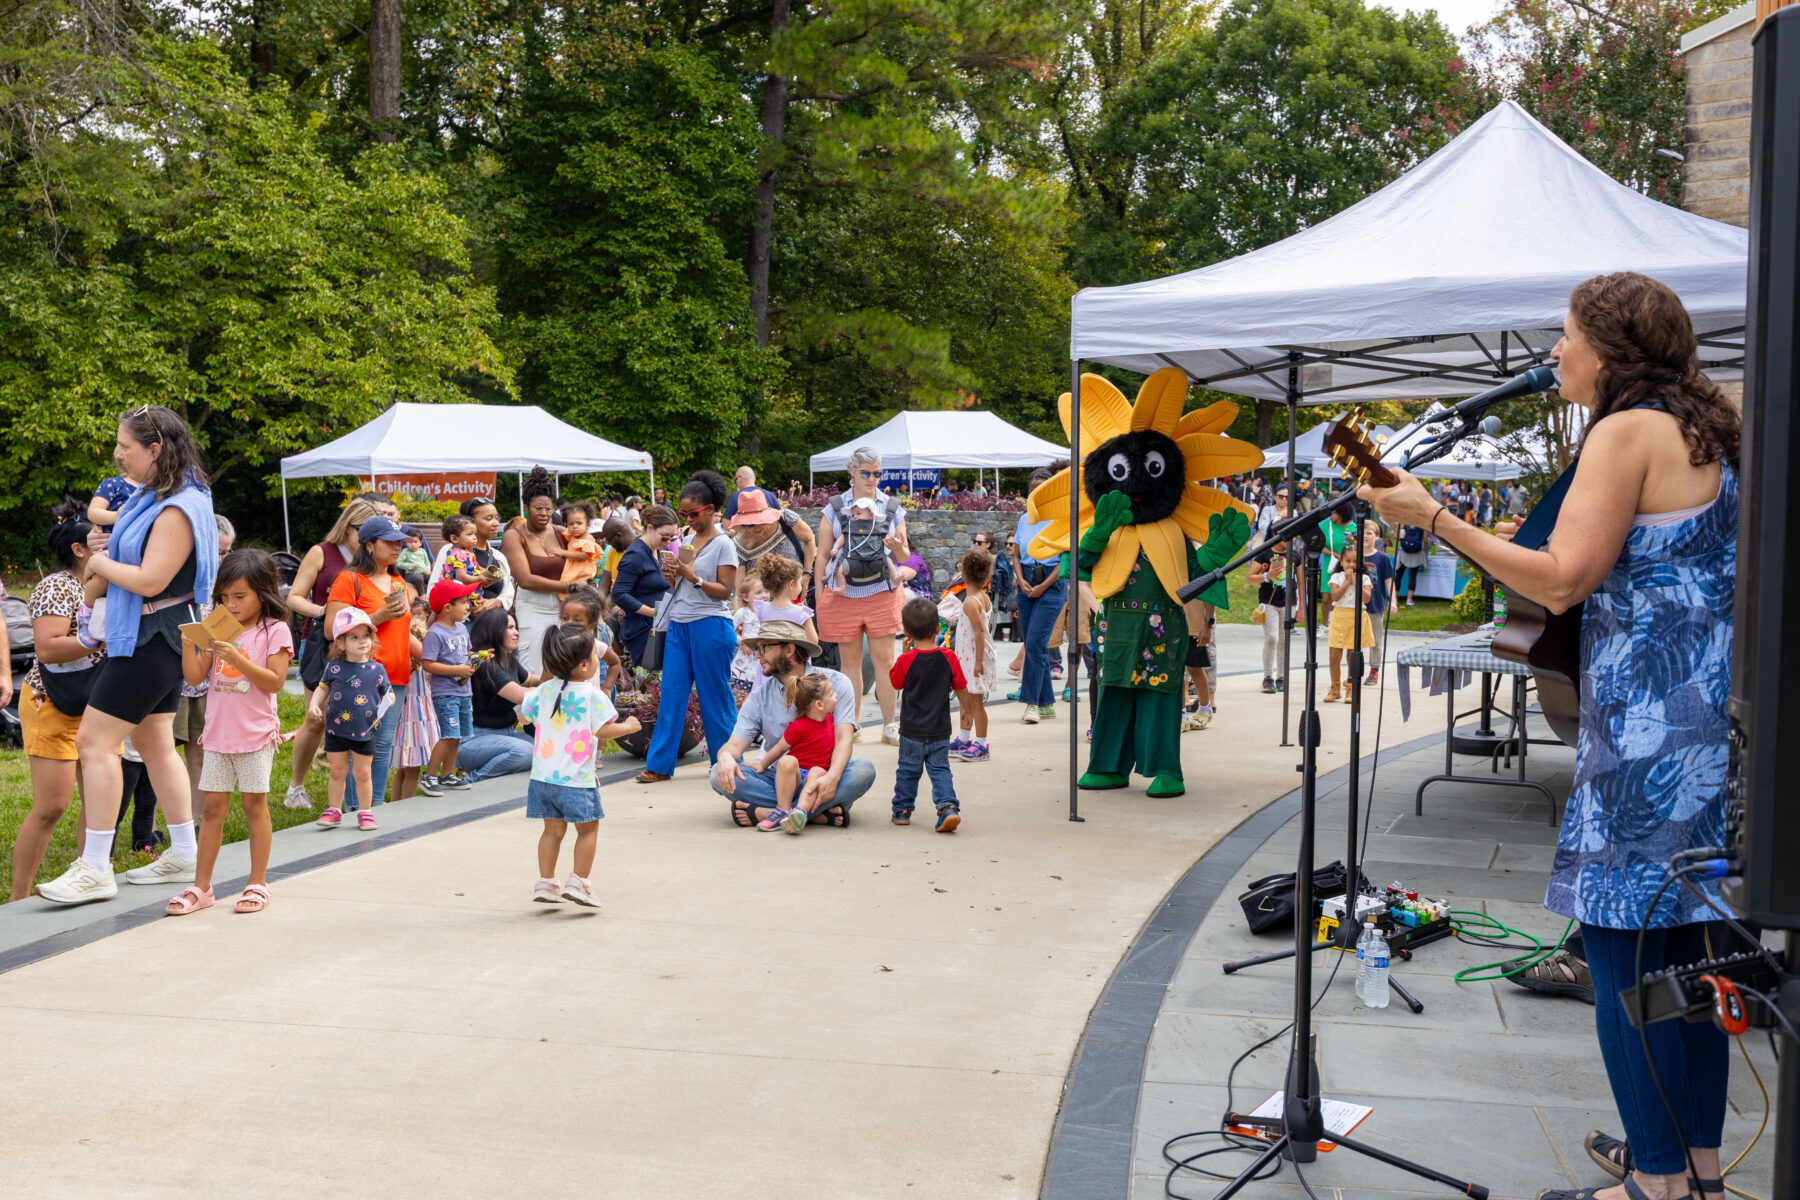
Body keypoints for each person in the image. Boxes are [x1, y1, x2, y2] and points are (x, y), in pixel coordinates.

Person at [1363, 272, 1743, 1200]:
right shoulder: (1708, 429)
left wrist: (1436, 518)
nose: (1555, 352)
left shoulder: (1624, 433)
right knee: (1692, 962)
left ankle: (1650, 1184)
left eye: (1566, 336)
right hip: (1702, 728)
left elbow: (1564, 578)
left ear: (1610, 350)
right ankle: (1695, 1169)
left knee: (1620, 959)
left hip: (1644, 740)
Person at [39, 406, 219, 906]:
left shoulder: (175, 508)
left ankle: (96, 865)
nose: (117, 454)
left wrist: (95, 559)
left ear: (155, 450)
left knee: (96, 744)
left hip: (149, 638)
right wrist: (105, 552)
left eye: (126, 446)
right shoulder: (160, 497)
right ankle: (184, 849)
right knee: (157, 740)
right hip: (160, 638)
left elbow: (150, 581)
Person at [165, 549, 293, 916]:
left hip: (254, 735)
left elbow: (275, 682)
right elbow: (194, 677)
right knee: (212, 810)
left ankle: (257, 882)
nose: (231, 605)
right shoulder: (220, 624)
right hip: (218, 734)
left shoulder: (275, 630)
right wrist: (190, 646)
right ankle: (201, 887)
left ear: (263, 592)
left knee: (255, 807)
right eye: (224, 597)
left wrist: (236, 657)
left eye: (240, 596)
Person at [10, 502, 106, 902]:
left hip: (99, 703)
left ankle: (89, 879)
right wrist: (98, 639)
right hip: (52, 701)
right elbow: (47, 650)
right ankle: (17, 898)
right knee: (52, 806)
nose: (110, 546)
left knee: (100, 803)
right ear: (79, 550)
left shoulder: (113, 583)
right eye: (99, 540)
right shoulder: (57, 586)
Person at [709, 621, 875, 828]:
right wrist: (725, 758)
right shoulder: (760, 697)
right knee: (718, 774)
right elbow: (734, 745)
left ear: (789, 649)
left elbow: (844, 739)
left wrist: (832, 777)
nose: (757, 655)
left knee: (863, 770)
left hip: (823, 775)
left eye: (763, 648)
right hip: (781, 777)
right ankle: (815, 814)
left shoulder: (836, 683)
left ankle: (769, 813)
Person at [521, 622, 639, 906]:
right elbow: (604, 730)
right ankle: (579, 883)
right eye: (595, 656)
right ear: (585, 665)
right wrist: (629, 727)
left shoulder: (543, 690)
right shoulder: (591, 695)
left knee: (552, 831)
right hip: (576, 779)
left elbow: (525, 716)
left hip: (543, 778)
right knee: (588, 829)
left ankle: (545, 883)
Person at [635, 471, 740, 784]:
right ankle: (659, 764)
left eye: (693, 513)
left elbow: (726, 591)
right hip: (679, 624)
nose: (688, 519)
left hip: (711, 624)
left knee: (714, 697)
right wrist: (672, 574)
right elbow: (678, 584)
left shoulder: (724, 544)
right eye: (684, 514)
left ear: (710, 510)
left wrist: (691, 576)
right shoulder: (687, 539)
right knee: (671, 694)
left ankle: (729, 762)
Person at [282, 497, 377, 810]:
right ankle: (296, 786)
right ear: (350, 528)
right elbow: (295, 597)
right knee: (316, 718)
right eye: (365, 531)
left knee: (357, 716)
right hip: (320, 642)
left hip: (361, 644)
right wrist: (324, 610)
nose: (371, 539)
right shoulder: (322, 552)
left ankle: (351, 791)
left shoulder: (373, 557)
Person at [321, 515, 418, 817]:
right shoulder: (349, 580)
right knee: (356, 742)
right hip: (357, 677)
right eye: (389, 542)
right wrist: (376, 617)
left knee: (383, 744)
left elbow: (404, 631)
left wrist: (431, 655)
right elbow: (330, 630)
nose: (396, 548)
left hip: (395, 677)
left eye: (399, 543)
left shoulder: (398, 581)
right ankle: (356, 808)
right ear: (368, 545)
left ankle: (372, 806)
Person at [814, 447, 909, 744]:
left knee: (886, 660)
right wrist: (819, 596)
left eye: (877, 473)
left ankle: (890, 724)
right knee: (849, 664)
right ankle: (851, 724)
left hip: (882, 590)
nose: (872, 479)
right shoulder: (834, 506)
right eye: (866, 472)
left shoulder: (892, 506)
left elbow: (905, 554)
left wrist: (896, 548)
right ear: (852, 471)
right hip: (844, 593)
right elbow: (822, 556)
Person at [172, 512, 236, 813]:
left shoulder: (226, 582)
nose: (223, 557)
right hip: (175, 675)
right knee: (163, 754)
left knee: (198, 753)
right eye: (218, 551)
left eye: (227, 552)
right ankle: (156, 826)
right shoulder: (177, 572)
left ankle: (193, 821)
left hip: (206, 679)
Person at [311, 608, 392, 830]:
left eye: (366, 635)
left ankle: (366, 812)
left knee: (362, 772)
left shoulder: (377, 669)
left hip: (364, 730)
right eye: (354, 637)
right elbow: (322, 688)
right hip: (336, 730)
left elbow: (387, 692)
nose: (362, 641)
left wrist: (390, 698)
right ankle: (334, 810)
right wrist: (313, 704)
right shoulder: (335, 667)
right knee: (337, 771)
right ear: (341, 643)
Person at [887, 598, 964, 832]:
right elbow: (961, 686)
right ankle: (947, 807)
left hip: (911, 730)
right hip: (940, 729)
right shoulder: (949, 657)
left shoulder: (906, 660)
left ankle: (902, 811)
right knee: (940, 770)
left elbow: (895, 682)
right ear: (937, 628)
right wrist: (967, 711)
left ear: (908, 632)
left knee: (908, 771)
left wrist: (904, 654)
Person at [455, 609, 540, 782]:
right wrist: (549, 690)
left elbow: (532, 680)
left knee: (544, 750)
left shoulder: (508, 660)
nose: (516, 633)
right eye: (510, 627)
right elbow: (520, 696)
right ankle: (471, 780)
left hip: (504, 735)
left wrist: (557, 675)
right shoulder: (486, 664)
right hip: (473, 740)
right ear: (493, 631)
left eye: (516, 627)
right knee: (526, 752)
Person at [1010, 464, 1067, 724]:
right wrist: (1021, 580)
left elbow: (1063, 561)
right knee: (1035, 644)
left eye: (1040, 490)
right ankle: (1046, 703)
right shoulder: (1024, 519)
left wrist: (1043, 587)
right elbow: (1016, 553)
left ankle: (1030, 702)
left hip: (1051, 585)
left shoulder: (1061, 519)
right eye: (1032, 491)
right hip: (1026, 583)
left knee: (1033, 643)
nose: (1035, 496)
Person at [749, 673, 839, 833]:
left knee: (818, 771)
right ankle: (782, 810)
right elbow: (779, 749)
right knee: (787, 760)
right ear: (819, 704)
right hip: (792, 778)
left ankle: (799, 812)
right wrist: (762, 765)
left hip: (815, 782)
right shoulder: (799, 726)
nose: (836, 696)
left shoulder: (833, 722)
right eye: (832, 694)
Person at [502, 467, 570, 676]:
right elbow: (525, 580)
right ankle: (529, 710)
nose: (544, 514)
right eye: (538, 508)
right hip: (533, 607)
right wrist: (567, 586)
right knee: (535, 669)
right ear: (525, 507)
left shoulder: (561, 533)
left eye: (549, 509)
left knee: (565, 668)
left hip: (565, 608)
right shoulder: (514, 536)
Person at [421, 578, 482, 794]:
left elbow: (466, 655)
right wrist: (456, 670)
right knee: (448, 734)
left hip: (464, 691)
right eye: (464, 602)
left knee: (457, 735)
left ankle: (447, 774)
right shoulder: (435, 633)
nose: (468, 606)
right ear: (448, 608)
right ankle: (429, 776)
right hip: (445, 694)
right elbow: (427, 664)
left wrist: (479, 657)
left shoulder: (461, 629)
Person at [612, 504, 677, 668]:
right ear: (650, 528)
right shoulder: (636, 555)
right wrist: (653, 613)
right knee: (650, 683)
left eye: (672, 538)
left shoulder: (659, 550)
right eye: (665, 536)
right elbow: (618, 594)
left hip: (659, 627)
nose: (668, 541)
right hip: (643, 631)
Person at [427, 497, 514, 616]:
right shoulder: (451, 552)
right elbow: (434, 589)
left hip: (494, 625)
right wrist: (465, 608)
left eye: (496, 517)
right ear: (469, 522)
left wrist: (497, 602)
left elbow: (508, 590)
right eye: (488, 518)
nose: (496, 523)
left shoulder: (498, 556)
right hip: (462, 625)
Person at [949, 548, 996, 762]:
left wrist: (978, 662)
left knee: (975, 702)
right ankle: (964, 737)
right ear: (987, 576)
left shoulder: (970, 602)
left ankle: (981, 744)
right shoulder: (983, 597)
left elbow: (979, 631)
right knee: (966, 698)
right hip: (969, 656)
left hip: (973, 657)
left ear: (964, 575)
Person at [393, 597, 441, 798]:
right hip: (417, 715)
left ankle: (395, 801)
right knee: (413, 767)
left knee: (402, 769)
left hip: (404, 713)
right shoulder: (422, 665)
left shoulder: (402, 662)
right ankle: (406, 803)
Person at [1323, 541, 1374, 702]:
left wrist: (1355, 581)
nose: (1351, 565)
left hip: (1356, 617)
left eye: (1355, 562)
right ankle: (1335, 687)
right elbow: (1335, 596)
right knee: (1334, 656)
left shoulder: (1365, 578)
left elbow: (1366, 598)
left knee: (1352, 655)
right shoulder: (1336, 577)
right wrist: (1346, 581)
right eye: (1347, 561)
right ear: (1341, 562)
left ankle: (1351, 688)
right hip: (1339, 616)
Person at [726, 489, 814, 579]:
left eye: (761, 521)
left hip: (798, 586)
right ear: (742, 524)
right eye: (750, 524)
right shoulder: (738, 546)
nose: (757, 527)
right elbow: (741, 589)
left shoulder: (784, 518)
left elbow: (809, 539)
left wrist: (807, 574)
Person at [557, 587, 624, 696]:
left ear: (591, 624)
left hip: (595, 696)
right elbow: (545, 678)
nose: (570, 623)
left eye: (577, 619)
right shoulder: (557, 645)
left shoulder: (595, 644)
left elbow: (614, 662)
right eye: (565, 618)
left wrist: (606, 688)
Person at [1248, 541, 1289, 694]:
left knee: (1284, 641)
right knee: (1272, 638)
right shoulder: (1264, 554)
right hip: (1269, 602)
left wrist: (1300, 608)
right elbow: (1250, 578)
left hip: (1288, 603)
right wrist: (1267, 576)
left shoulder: (1295, 553)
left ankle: (1282, 677)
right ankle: (1267, 677)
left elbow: (1300, 579)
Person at [752, 554, 818, 646]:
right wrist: (805, 616)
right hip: (794, 659)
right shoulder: (802, 613)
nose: (800, 586)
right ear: (791, 584)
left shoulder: (762, 609)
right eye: (799, 583)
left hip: (770, 658)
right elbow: (813, 642)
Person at [1361, 528, 1395, 685]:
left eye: (1370, 533)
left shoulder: (1383, 558)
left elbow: (1389, 581)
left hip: (1375, 604)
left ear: (1377, 537)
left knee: (1375, 640)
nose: (1366, 536)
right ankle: (1354, 670)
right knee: (1354, 641)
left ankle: (1374, 670)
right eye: (1364, 532)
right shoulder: (1353, 555)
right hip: (1356, 606)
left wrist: (1392, 601)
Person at [731, 572, 767, 686]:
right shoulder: (743, 612)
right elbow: (730, 630)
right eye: (759, 592)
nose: (765, 595)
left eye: (767, 591)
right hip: (746, 658)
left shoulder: (771, 612)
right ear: (746, 597)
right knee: (740, 690)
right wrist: (741, 641)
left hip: (764, 658)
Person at [557, 505, 602, 590]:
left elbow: (583, 556)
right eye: (571, 524)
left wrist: (562, 552)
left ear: (587, 525)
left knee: (575, 589)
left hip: (583, 571)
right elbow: (562, 530)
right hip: (574, 570)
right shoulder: (573, 536)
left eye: (579, 523)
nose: (575, 526)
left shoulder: (587, 538)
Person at [1395, 521, 1429, 607]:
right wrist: (1426, 551)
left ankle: (1395, 599)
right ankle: (1409, 600)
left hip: (1403, 553)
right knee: (1412, 576)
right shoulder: (1422, 524)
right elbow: (1425, 540)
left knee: (1399, 575)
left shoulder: (1404, 523)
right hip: (1417, 553)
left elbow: (1399, 538)